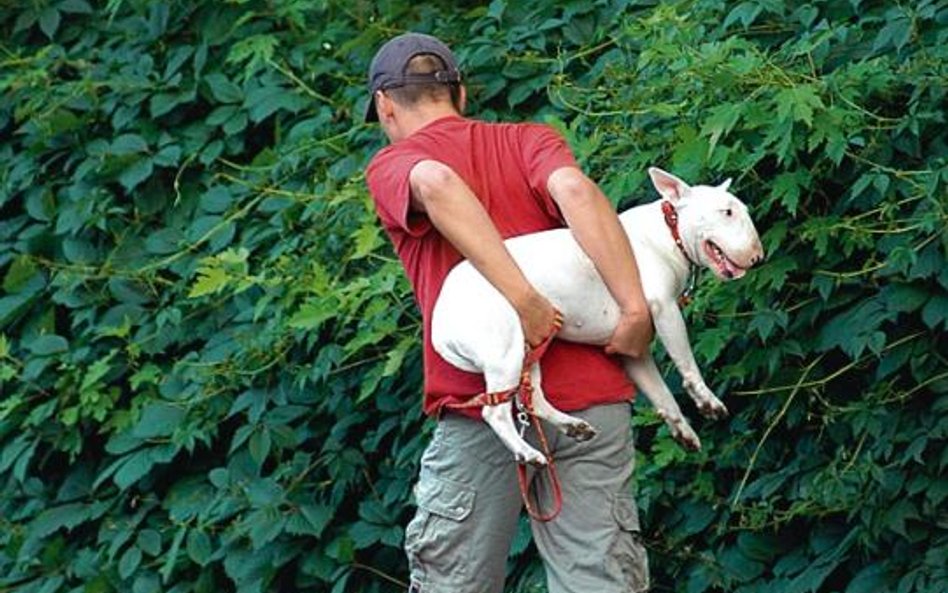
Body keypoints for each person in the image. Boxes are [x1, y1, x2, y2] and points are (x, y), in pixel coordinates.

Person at [364, 32, 653, 593]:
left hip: (482, 406)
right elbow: (574, 188)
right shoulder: (527, 140)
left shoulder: (395, 164)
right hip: (589, 398)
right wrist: (635, 309)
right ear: (461, 94)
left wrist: (522, 300)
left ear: (384, 104)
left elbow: (439, 181)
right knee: (601, 579)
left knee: (456, 581)